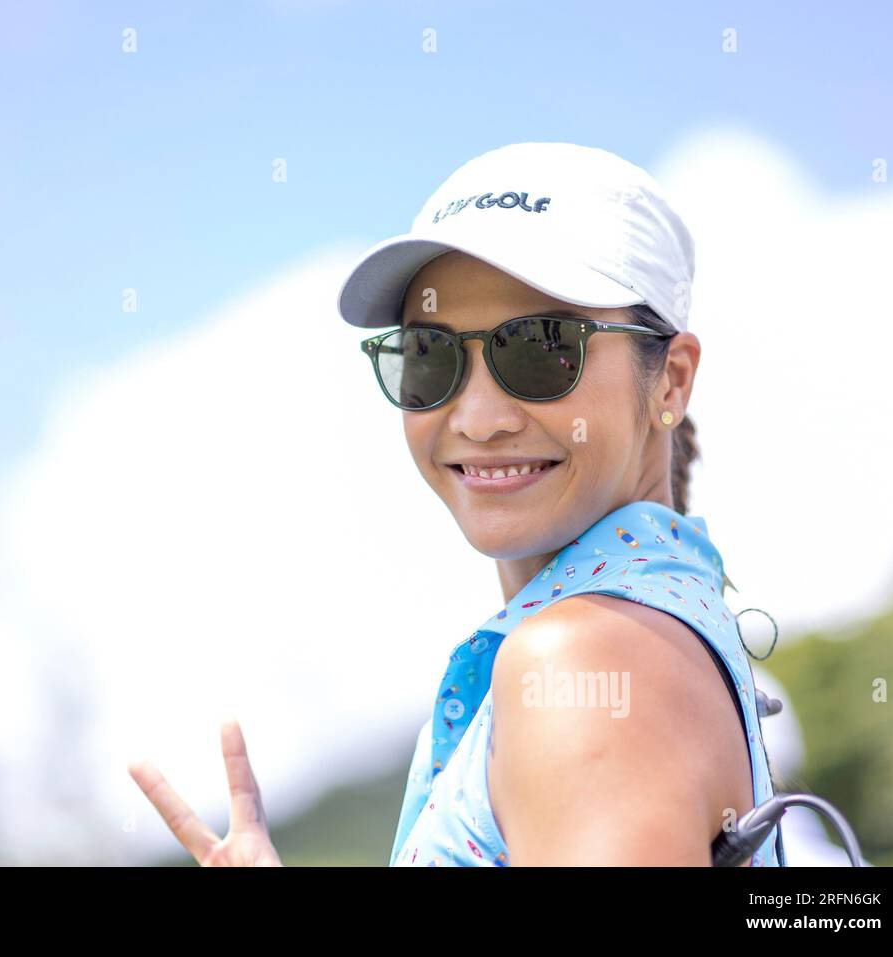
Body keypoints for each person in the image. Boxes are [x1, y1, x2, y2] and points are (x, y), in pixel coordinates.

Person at [127, 142, 785, 867]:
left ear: (671, 381)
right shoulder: (658, 633)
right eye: (430, 355)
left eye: (541, 348)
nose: (477, 417)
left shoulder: (583, 661)